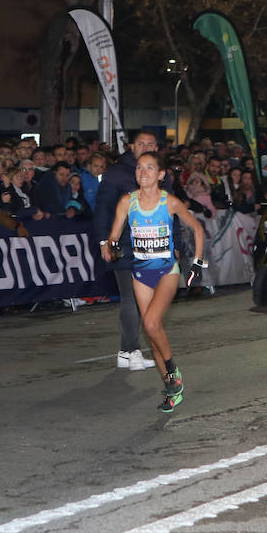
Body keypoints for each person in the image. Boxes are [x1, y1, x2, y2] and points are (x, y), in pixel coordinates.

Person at [101, 152, 206, 411]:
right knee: (153, 332)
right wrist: (110, 247)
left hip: (167, 271)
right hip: (140, 273)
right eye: (139, 167)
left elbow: (197, 228)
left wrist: (197, 263)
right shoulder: (127, 202)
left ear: (160, 175)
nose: (143, 172)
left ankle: (172, 370)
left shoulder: (169, 202)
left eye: (149, 168)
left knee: (149, 322)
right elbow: (114, 236)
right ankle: (172, 390)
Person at [94, 130, 162, 372]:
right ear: (131, 146)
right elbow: (102, 209)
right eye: (141, 143)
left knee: (147, 298)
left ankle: (125, 352)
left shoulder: (159, 172)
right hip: (123, 244)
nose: (146, 147)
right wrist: (104, 242)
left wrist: (175, 244)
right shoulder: (116, 173)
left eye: (150, 144)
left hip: (152, 245)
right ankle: (133, 351)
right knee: (131, 298)